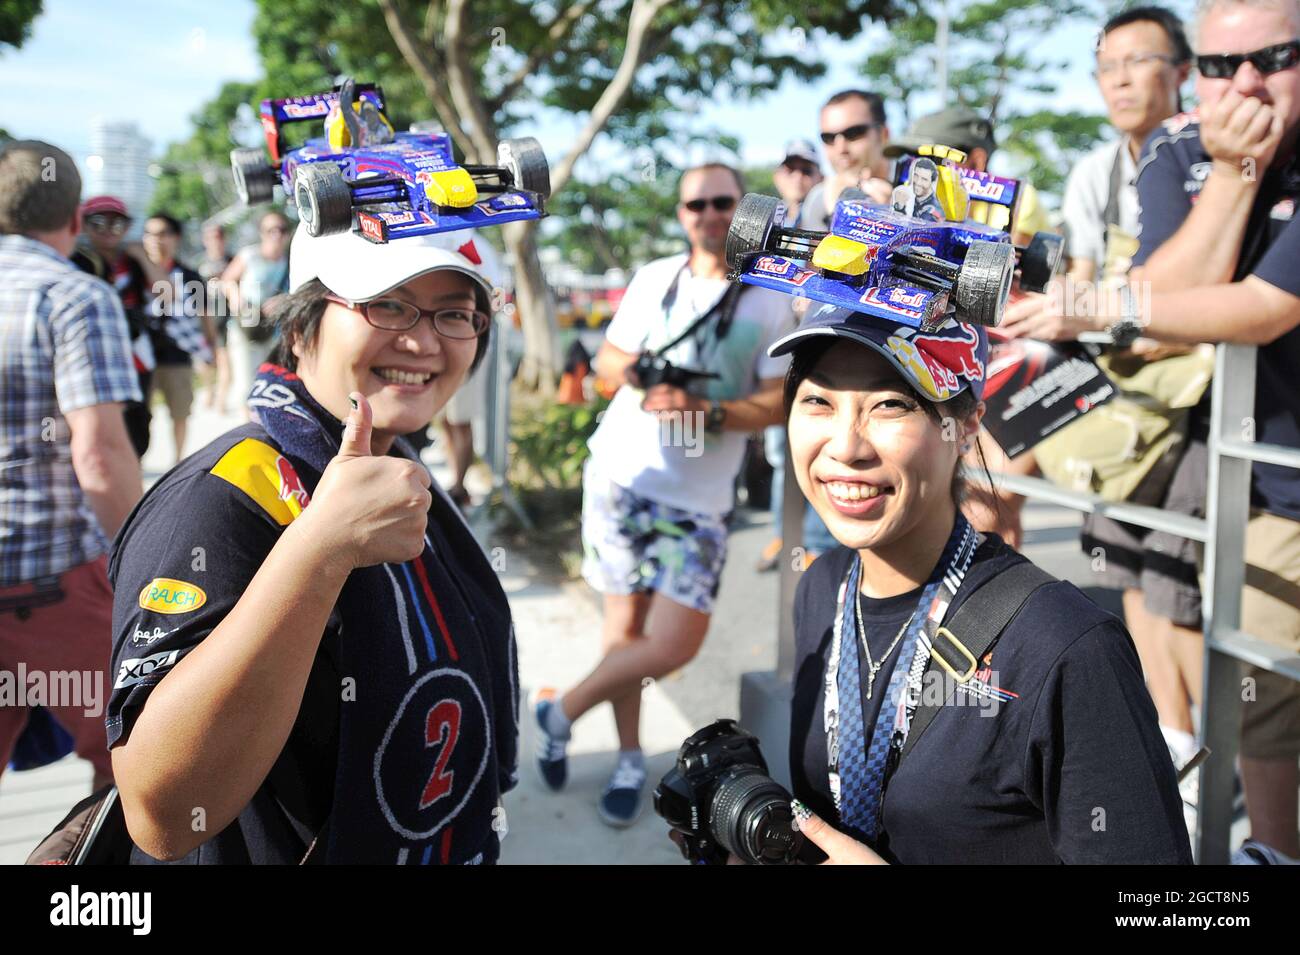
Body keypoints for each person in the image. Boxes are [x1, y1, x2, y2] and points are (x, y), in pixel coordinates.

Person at [105, 225, 519, 864]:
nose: (424, 339)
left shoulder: (405, 471)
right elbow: (161, 816)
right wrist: (321, 548)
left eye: (457, 314)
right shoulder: (223, 497)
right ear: (300, 327)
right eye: (387, 303)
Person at [1007, 0, 1300, 861]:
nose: (1244, 82)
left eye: (1275, 57)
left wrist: (1094, 305)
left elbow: (1259, 308)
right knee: (1255, 678)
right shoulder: (1180, 150)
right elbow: (1174, 296)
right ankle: (1263, 843)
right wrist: (1240, 173)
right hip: (1250, 468)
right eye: (1223, 66)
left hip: (1230, 437)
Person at [769, 303, 1191, 864]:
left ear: (965, 426)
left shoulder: (1065, 647)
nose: (847, 447)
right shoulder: (824, 588)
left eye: (891, 405)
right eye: (818, 401)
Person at [532, 163, 795, 827]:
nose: (708, 214)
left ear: (744, 210)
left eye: (722, 202)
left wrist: (703, 404)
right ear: (681, 214)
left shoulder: (769, 297)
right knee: (623, 632)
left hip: (700, 500)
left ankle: (558, 711)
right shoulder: (656, 279)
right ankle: (627, 758)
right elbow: (607, 363)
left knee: (673, 642)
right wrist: (650, 375)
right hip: (623, 476)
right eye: (695, 203)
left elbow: (776, 403)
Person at [0, 141, 143, 792]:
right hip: (50, 581)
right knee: (135, 758)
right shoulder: (74, 296)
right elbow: (99, 452)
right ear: (75, 217)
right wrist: (146, 564)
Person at [760, 139, 829, 571]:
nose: (798, 177)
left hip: (818, 348)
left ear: (819, 176)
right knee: (778, 451)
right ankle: (781, 534)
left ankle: (817, 540)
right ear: (778, 175)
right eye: (791, 168)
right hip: (776, 354)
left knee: (815, 444)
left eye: (807, 169)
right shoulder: (768, 221)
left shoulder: (834, 213)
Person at [70, 195, 154, 457]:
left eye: (116, 224)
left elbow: (169, 294)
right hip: (90, 356)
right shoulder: (74, 261)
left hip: (134, 357)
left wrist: (143, 257)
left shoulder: (134, 262)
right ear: (83, 225)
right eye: (98, 222)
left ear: (127, 228)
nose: (107, 230)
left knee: (136, 428)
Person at [140, 213, 216, 464]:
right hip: (140, 357)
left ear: (176, 238)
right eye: (149, 233)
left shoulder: (189, 276)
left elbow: (205, 316)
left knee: (180, 413)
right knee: (140, 414)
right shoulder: (134, 271)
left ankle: (177, 461)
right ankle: (138, 462)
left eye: (162, 234)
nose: (155, 240)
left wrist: (211, 350)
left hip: (178, 355)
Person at [221, 209, 292, 414]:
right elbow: (227, 280)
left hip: (275, 333)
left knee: (271, 384)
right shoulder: (249, 255)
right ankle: (249, 430)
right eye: (270, 230)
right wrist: (237, 299)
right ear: (262, 233)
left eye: (281, 229)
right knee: (246, 386)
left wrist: (284, 300)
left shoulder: (290, 262)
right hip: (246, 328)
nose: (276, 234)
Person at [800, 90, 894, 230]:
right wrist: (833, 217)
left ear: (883, 135)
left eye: (854, 133)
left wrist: (897, 219)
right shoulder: (819, 200)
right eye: (828, 138)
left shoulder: (922, 183)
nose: (840, 149)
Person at [198, 221, 233, 414]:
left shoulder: (232, 261)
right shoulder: (200, 265)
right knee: (205, 362)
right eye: (211, 237)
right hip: (207, 319)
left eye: (218, 237)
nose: (215, 241)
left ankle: (221, 400)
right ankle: (209, 390)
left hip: (227, 319)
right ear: (205, 240)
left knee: (225, 360)